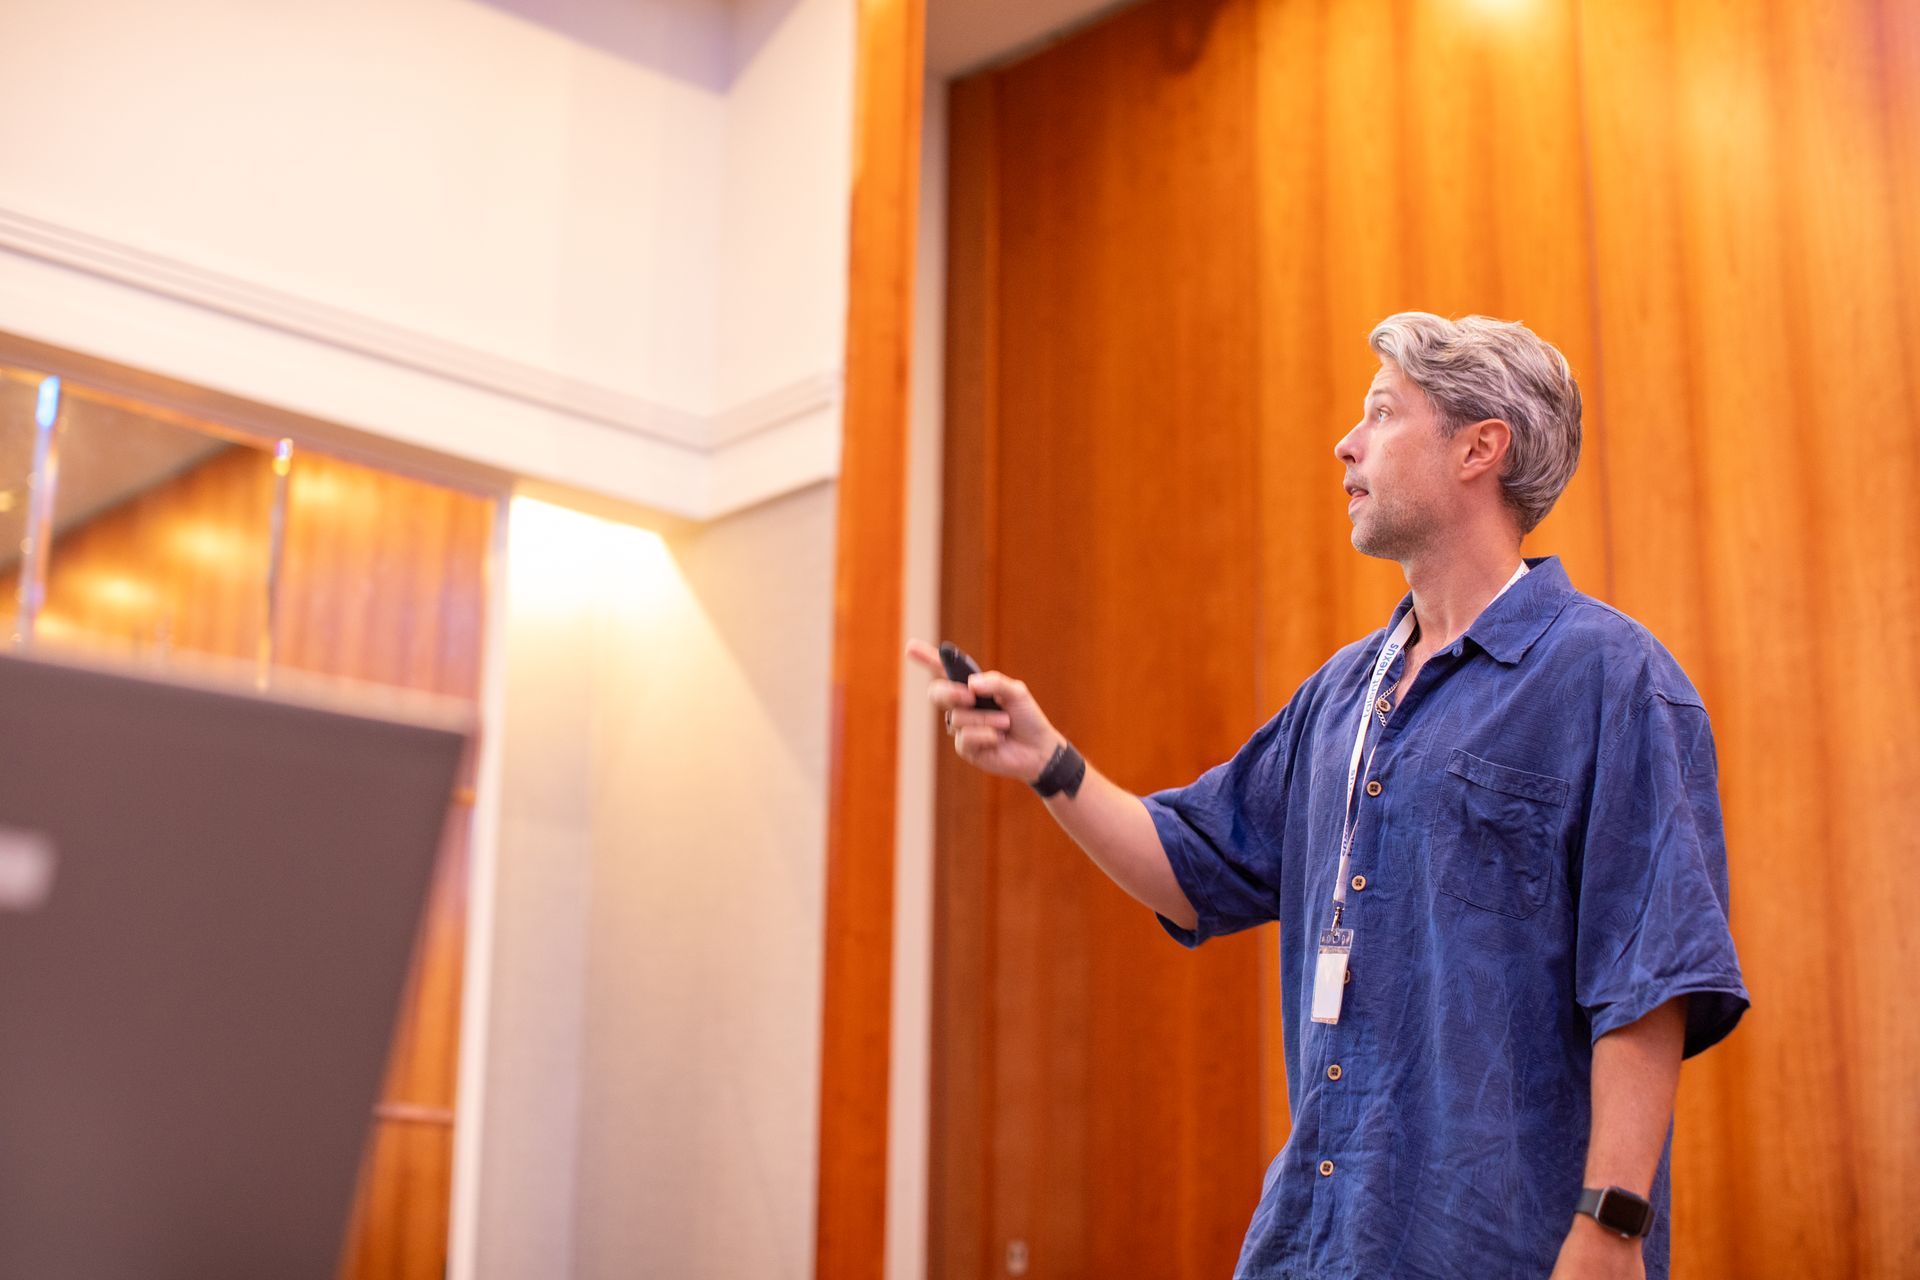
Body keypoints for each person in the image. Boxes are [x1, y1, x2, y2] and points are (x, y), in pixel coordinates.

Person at [907, 312, 1748, 1280]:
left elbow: (1651, 977)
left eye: (1382, 413)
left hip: (1505, 1243)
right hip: (1320, 1237)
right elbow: (1189, 869)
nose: (1345, 445)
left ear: (1482, 447)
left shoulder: (1611, 678)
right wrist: (1049, 761)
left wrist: (1611, 1227)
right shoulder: (1343, 692)